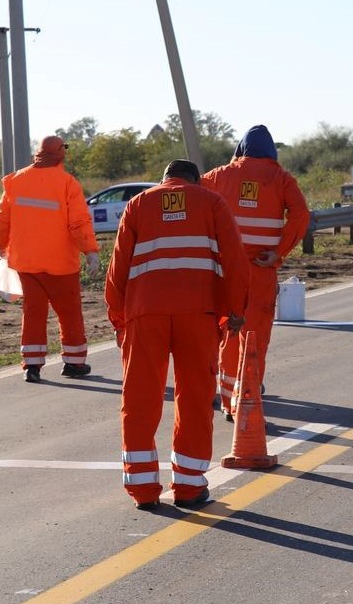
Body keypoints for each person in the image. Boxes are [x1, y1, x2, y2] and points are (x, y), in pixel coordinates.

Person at [105, 159, 249, 510]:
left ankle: (143, 490)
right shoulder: (212, 202)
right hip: (198, 315)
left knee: (139, 399)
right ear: (196, 181)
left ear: (164, 180)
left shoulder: (139, 204)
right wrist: (236, 310)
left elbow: (117, 269)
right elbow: (234, 260)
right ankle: (188, 487)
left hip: (144, 315)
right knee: (195, 398)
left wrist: (119, 320)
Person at [201, 125, 310, 421]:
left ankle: (224, 395)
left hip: (225, 269)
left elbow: (193, 196)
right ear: (272, 152)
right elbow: (301, 213)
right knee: (255, 334)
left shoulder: (219, 175)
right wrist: (279, 252)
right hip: (260, 269)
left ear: (240, 150)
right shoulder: (281, 178)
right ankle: (246, 394)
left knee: (226, 331)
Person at [0, 135, 101, 383]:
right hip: (61, 264)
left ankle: (32, 365)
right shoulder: (67, 183)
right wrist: (90, 251)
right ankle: (74, 363)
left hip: (26, 262)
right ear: (61, 154)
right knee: (69, 313)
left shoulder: (16, 181)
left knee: (33, 312)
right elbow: (79, 222)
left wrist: (1, 245)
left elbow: (2, 217)